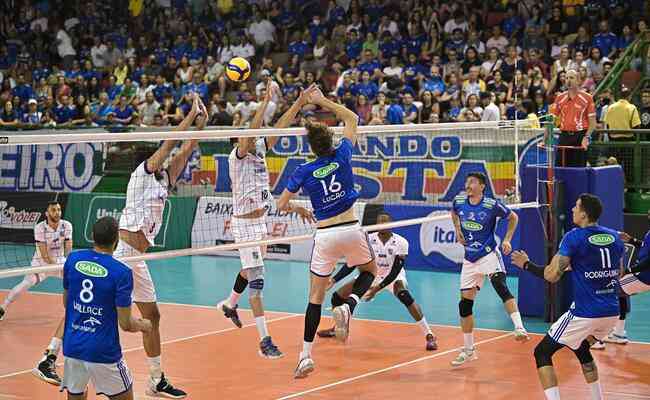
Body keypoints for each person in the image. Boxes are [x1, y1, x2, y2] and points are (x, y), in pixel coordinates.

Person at [277, 86, 377, 379]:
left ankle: (305, 356)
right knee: (369, 272)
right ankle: (349, 306)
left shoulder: (304, 170)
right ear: (330, 140)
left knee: (315, 298)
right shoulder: (344, 153)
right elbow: (352, 119)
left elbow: (281, 203)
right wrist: (321, 101)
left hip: (324, 235)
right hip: (350, 227)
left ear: (312, 148)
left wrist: (299, 208)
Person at [113, 94, 207, 398]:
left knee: (153, 316)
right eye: (161, 160)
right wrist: (189, 116)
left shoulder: (164, 181)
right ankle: (52, 352)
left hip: (138, 259)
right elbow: (171, 144)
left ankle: (155, 379)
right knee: (98, 312)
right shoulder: (142, 174)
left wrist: (201, 126)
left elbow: (186, 149)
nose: (167, 162)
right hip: (122, 256)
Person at [215, 82, 313, 359]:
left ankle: (230, 304)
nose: (256, 140)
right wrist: (264, 102)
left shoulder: (259, 150)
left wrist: (299, 102)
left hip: (261, 223)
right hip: (245, 225)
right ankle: (264, 340)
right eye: (249, 137)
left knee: (250, 269)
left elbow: (279, 127)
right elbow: (251, 134)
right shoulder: (238, 155)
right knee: (257, 282)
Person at [511, 194, 625, 400]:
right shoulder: (614, 237)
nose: (572, 209)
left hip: (585, 313)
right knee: (581, 347)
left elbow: (552, 276)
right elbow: (620, 272)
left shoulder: (573, 237)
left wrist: (526, 265)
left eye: (576, 206)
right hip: (612, 313)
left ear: (583, 214)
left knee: (542, 353)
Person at [60, 216, 152, 400]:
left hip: (73, 346)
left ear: (92, 236)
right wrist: (144, 325)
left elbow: (66, 302)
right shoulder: (122, 272)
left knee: (75, 395)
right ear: (116, 240)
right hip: (103, 351)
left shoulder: (73, 259)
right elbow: (126, 324)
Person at [317, 213, 438, 351]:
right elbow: (353, 263)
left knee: (405, 296)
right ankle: (338, 328)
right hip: (370, 275)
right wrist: (334, 280)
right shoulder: (368, 239)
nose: (382, 224)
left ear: (391, 223)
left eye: (385, 221)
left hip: (393, 278)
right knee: (337, 297)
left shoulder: (401, 242)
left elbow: (394, 271)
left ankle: (429, 334)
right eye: (379, 221)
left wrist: (377, 289)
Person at [450, 172, 528, 366]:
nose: (468, 185)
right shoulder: (459, 201)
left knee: (500, 286)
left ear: (482, 186)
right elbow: (453, 212)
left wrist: (508, 239)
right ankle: (469, 350)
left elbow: (513, 217)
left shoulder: (491, 205)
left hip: (488, 254)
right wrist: (457, 229)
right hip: (469, 259)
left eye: (473, 182)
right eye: (467, 182)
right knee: (464, 306)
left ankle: (519, 328)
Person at [0, 201, 72, 385]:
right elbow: (44, 253)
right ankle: (2, 308)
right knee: (25, 284)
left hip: (59, 264)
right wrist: (55, 265)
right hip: (41, 264)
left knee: (74, 281)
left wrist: (67, 264)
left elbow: (69, 247)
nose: (57, 212)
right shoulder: (40, 227)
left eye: (59, 209)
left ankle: (74, 309)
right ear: (46, 212)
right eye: (53, 209)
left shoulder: (66, 225)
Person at [550, 69, 596, 167]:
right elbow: (551, 121)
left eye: (571, 77)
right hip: (564, 136)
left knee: (578, 169)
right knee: (560, 166)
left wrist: (586, 137)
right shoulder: (559, 98)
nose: (568, 80)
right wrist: (545, 138)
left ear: (578, 80)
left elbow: (593, 123)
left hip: (580, 136)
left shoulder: (588, 98)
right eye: (566, 78)